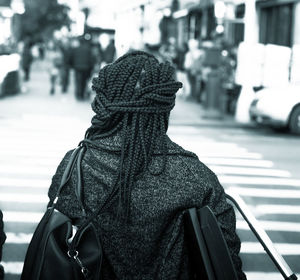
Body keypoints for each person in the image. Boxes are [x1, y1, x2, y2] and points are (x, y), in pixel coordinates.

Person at [47, 51, 246, 279]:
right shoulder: (197, 178)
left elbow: (56, 240)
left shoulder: (77, 166)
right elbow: (226, 263)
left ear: (105, 101)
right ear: (165, 105)